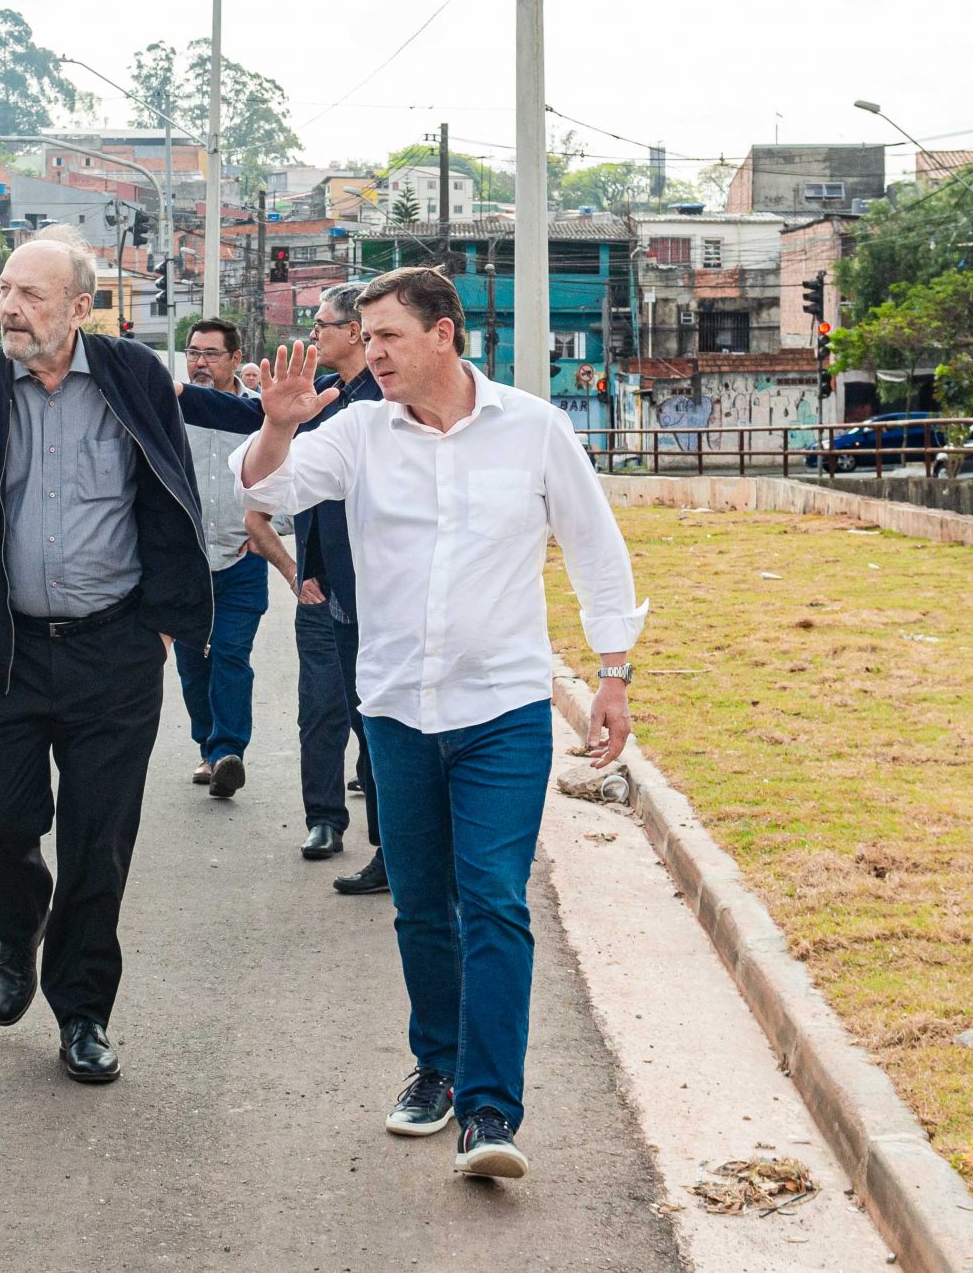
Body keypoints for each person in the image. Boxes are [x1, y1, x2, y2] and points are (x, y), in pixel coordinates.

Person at [235, 267, 647, 1182]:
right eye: (365, 337)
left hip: (502, 708)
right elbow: (263, 492)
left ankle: (492, 1111)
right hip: (393, 708)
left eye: (385, 336)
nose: (369, 352)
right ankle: (439, 1067)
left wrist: (612, 675)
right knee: (422, 906)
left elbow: (594, 546)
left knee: (494, 901)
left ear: (444, 335)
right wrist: (277, 423)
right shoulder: (355, 434)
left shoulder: (534, 430)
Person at [0, 241, 210, 1086]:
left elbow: (171, 489)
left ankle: (82, 1012)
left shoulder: (133, 376)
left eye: (30, 294)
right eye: (4, 290)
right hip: (6, 651)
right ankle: (17, 923)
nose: (10, 308)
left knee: (98, 842)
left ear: (80, 306)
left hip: (114, 649)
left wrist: (164, 621)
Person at [182, 281, 385, 879]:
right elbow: (251, 427)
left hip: (380, 591)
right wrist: (300, 574)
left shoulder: (384, 401)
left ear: (355, 332)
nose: (312, 334)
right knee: (319, 709)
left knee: (376, 719)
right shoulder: (321, 397)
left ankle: (390, 845)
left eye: (321, 324)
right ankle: (324, 818)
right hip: (321, 590)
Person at [176, 317, 295, 799]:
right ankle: (207, 746)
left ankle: (228, 752)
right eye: (193, 353)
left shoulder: (261, 417)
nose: (200, 362)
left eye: (210, 354)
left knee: (229, 654)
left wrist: (268, 529)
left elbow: (291, 474)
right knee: (191, 664)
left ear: (233, 359)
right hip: (183, 563)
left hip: (240, 559)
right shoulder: (173, 413)